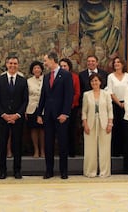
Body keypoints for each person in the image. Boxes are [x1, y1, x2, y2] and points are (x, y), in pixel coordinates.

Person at [37, 52, 73, 180]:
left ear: (52, 60)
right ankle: (49, 170)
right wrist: (39, 113)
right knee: (48, 143)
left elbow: (69, 96)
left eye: (45, 60)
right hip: (48, 115)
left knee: (63, 143)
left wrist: (65, 113)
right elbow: (43, 96)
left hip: (61, 115)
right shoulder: (46, 76)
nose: (44, 63)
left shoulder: (66, 75)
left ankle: (64, 171)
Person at [0, 56, 28, 179]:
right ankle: (2, 171)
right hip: (2, 117)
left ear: (18, 65)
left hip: (17, 118)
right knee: (2, 144)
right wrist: (4, 115)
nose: (13, 65)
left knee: (17, 145)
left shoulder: (23, 81)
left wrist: (17, 115)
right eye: (10, 63)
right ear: (6, 64)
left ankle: (17, 170)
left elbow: (25, 100)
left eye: (15, 63)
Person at [82, 73, 113, 177]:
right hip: (90, 123)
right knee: (90, 148)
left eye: (96, 80)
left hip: (104, 123)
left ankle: (104, 172)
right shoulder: (86, 94)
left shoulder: (106, 94)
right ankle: (90, 171)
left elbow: (110, 110)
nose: (94, 83)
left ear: (100, 82)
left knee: (105, 148)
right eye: (92, 81)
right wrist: (85, 124)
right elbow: (84, 111)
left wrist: (110, 123)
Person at [106, 56, 128, 157]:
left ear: (123, 64)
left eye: (118, 62)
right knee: (115, 127)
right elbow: (110, 92)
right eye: (115, 62)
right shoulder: (110, 76)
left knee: (126, 128)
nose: (116, 64)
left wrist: (125, 103)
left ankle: (124, 150)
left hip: (127, 104)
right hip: (114, 104)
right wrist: (119, 103)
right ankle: (115, 151)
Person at [59, 58, 81, 157]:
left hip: (72, 107)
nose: (63, 68)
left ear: (69, 67)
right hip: (59, 108)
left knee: (71, 129)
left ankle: (71, 152)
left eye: (65, 66)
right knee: (61, 131)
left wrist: (68, 104)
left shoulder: (75, 77)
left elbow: (77, 93)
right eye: (61, 66)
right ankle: (63, 152)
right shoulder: (57, 77)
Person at [26, 61, 45, 158]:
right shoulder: (28, 81)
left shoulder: (46, 79)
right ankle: (36, 150)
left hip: (43, 108)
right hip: (31, 108)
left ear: (41, 69)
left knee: (42, 129)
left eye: (38, 68)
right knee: (33, 129)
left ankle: (42, 150)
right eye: (35, 68)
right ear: (32, 70)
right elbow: (26, 96)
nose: (37, 70)